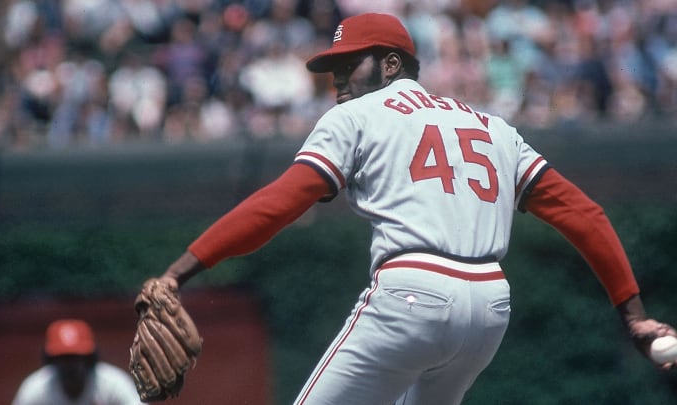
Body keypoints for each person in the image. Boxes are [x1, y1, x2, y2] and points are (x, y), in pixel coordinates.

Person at [145, 13, 677, 405]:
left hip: (411, 294)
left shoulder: (358, 116)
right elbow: (585, 215)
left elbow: (279, 203)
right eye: (334, 72)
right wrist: (633, 316)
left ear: (392, 63)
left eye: (349, 66)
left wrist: (180, 271)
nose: (338, 83)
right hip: (489, 307)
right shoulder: (491, 126)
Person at [13, 319, 143, 405]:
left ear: (89, 359)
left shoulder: (114, 385)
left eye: (75, 357)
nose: (69, 366)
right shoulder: (36, 389)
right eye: (63, 358)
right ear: (51, 361)